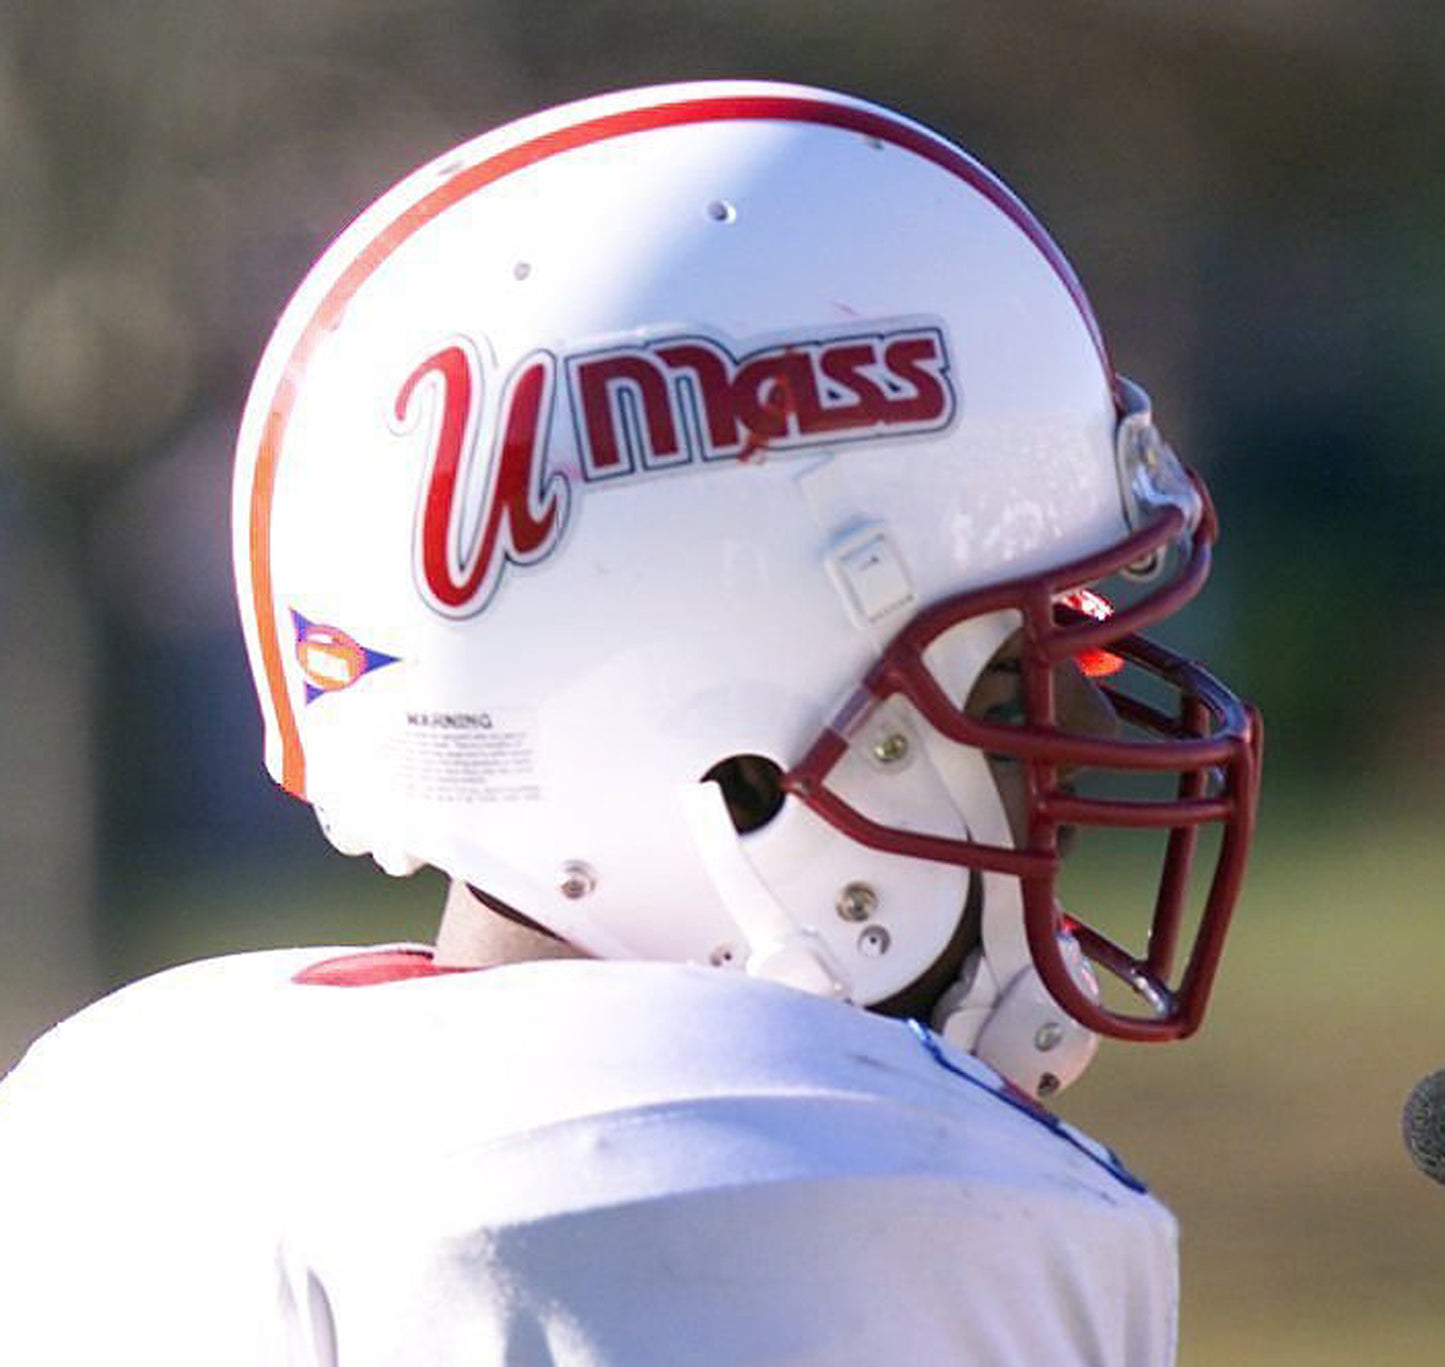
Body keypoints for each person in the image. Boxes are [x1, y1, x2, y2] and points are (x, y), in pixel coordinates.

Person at [0, 81, 1261, 1365]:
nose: (1090, 709)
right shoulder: (752, 1196)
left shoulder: (124, 1118)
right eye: (1006, 679)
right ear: (732, 764)